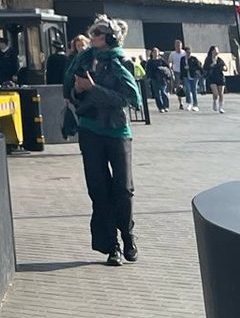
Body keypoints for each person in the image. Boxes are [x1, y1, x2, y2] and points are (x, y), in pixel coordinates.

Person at [63, 15, 141, 266]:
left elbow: (126, 98)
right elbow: (71, 91)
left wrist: (92, 89)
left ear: (109, 37)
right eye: (92, 33)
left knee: (123, 189)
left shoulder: (121, 62)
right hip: (90, 130)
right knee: (99, 189)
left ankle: (127, 234)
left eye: (97, 34)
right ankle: (111, 246)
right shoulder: (82, 60)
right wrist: (78, 90)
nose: (92, 37)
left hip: (117, 131)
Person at [144, 48, 171, 113]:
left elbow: (167, 69)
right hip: (154, 79)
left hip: (162, 79)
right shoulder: (150, 62)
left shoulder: (161, 61)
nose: (155, 53)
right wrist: (148, 77)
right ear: (152, 53)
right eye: (154, 52)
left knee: (163, 92)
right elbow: (147, 71)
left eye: (156, 52)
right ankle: (160, 107)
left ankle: (166, 106)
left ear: (158, 53)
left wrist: (168, 77)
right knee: (157, 94)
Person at [203, 45, 227, 113]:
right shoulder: (208, 59)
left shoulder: (219, 59)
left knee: (221, 93)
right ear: (212, 51)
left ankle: (221, 107)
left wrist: (224, 68)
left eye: (217, 51)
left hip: (220, 77)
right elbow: (205, 68)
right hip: (212, 77)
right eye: (215, 50)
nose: (217, 52)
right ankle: (214, 102)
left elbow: (225, 67)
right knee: (215, 93)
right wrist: (210, 66)